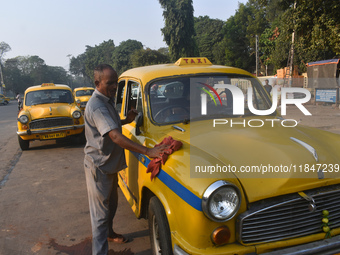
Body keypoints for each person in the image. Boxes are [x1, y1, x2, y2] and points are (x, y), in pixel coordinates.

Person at [84, 64, 167, 255]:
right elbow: (114, 136)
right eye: (110, 83)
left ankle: (110, 233)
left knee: (111, 205)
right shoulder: (97, 106)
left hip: (109, 163)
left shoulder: (106, 99)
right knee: (100, 216)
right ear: (97, 83)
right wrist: (148, 150)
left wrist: (126, 121)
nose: (115, 86)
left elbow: (108, 126)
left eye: (116, 82)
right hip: (99, 166)